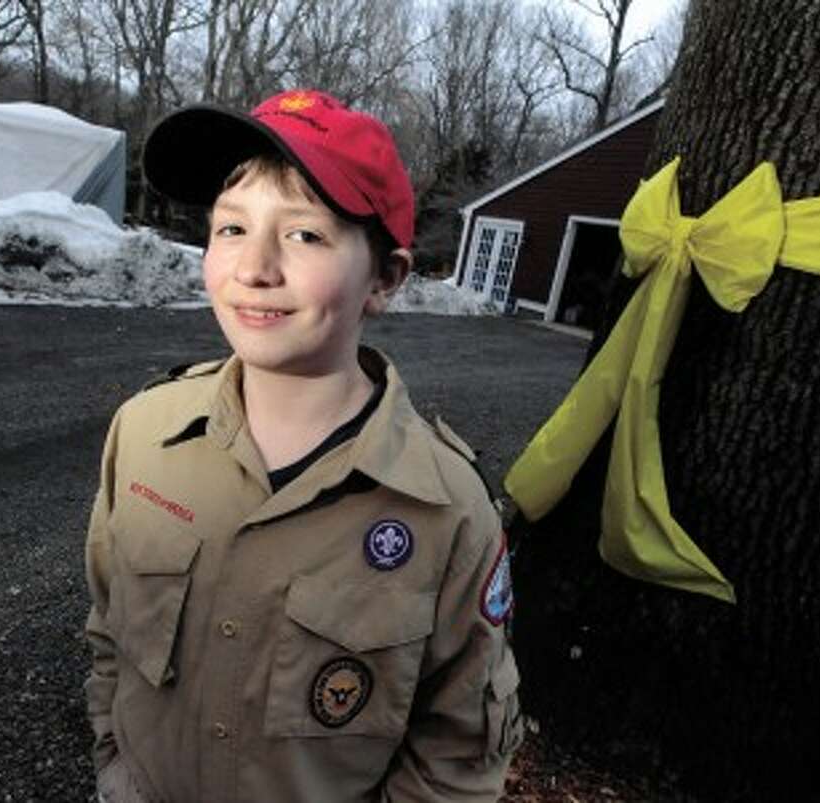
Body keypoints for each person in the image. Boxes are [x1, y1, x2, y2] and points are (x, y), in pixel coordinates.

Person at [82, 88, 523, 803]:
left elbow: (457, 751)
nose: (253, 267)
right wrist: (116, 764)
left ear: (385, 278)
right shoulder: (143, 434)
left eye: (304, 234)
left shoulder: (447, 511)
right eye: (230, 229)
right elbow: (109, 633)